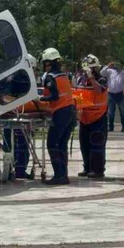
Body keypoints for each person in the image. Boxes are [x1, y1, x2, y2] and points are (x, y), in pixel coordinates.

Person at [38, 48, 76, 185]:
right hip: (71, 111)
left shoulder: (50, 77)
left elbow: (54, 96)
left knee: (52, 144)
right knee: (61, 144)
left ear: (48, 63)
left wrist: (40, 98)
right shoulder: (63, 75)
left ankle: (59, 175)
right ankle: (63, 175)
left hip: (61, 113)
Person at [77, 54, 108, 178]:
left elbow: (99, 90)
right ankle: (87, 167)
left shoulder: (101, 79)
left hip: (98, 117)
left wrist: (91, 77)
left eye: (88, 69)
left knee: (97, 145)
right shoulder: (82, 80)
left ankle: (98, 170)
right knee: (84, 144)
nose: (85, 71)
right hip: (84, 118)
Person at [100, 61, 124, 132]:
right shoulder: (110, 71)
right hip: (111, 94)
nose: (118, 67)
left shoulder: (123, 73)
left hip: (120, 94)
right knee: (111, 112)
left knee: (122, 111)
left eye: (120, 65)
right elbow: (102, 73)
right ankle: (110, 127)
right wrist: (108, 65)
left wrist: (122, 70)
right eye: (117, 65)